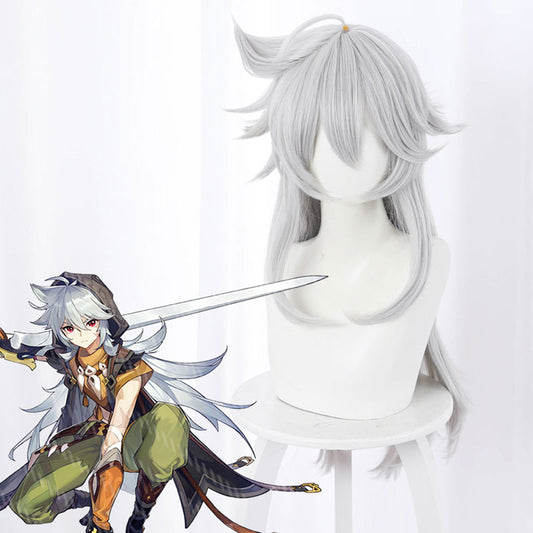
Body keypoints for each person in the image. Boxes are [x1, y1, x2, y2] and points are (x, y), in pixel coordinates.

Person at [0, 272, 319, 533]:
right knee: (27, 506)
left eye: (90, 323)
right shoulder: (67, 357)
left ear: (104, 319)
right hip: (88, 439)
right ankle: (79, 500)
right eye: (70, 328)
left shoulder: (124, 362)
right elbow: (23, 350)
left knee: (168, 419)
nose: (81, 334)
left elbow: (125, 404)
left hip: (132, 438)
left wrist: (114, 442)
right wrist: (8, 345)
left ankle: (136, 517)